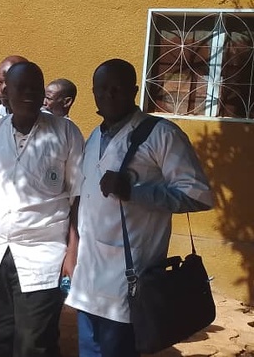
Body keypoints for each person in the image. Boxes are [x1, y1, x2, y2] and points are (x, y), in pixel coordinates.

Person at [66, 59, 214, 357]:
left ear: (134, 90)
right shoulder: (94, 136)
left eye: (118, 88)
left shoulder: (161, 134)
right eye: (102, 89)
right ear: (92, 92)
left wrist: (135, 192)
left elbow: (199, 196)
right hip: (88, 277)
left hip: (129, 281)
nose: (109, 94)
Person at [0, 61, 84, 356]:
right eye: (20, 88)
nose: (28, 94)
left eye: (35, 89)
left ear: (43, 94)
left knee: (34, 344)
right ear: (6, 92)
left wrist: (72, 253)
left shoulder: (65, 133)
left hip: (42, 255)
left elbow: (78, 199)